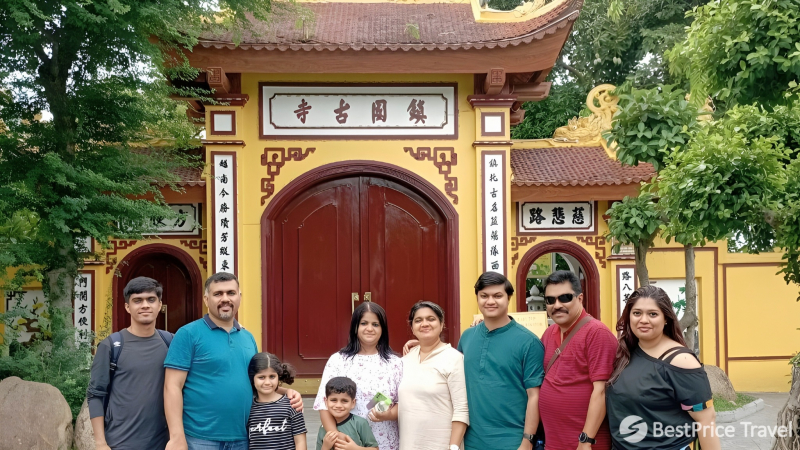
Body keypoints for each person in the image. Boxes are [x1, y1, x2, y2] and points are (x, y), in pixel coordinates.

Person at [164, 272, 303, 450]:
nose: (225, 299)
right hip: (200, 438)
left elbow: (255, 382)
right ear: (206, 299)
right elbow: (172, 386)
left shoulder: (248, 338)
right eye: (218, 294)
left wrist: (286, 392)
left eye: (231, 293)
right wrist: (176, 437)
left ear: (239, 297)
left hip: (244, 437)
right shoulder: (188, 334)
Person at [606, 285, 720, 450]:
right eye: (637, 313)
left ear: (666, 318)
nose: (643, 320)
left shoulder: (681, 361)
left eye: (652, 314)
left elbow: (706, 420)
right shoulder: (625, 353)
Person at [450, 272, 544, 450]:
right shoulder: (467, 337)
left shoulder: (529, 342)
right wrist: (424, 345)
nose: (490, 301)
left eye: (497, 296)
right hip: (470, 441)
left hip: (512, 441)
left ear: (508, 298)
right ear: (477, 298)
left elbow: (534, 396)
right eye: (484, 296)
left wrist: (527, 441)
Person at [86, 277, 171, 450]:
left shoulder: (170, 342)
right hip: (120, 442)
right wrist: (100, 443)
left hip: (163, 443)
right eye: (137, 300)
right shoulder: (111, 346)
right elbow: (95, 395)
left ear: (160, 305)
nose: (145, 305)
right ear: (127, 307)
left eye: (151, 299)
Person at [538, 270, 618, 450]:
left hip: (585, 445)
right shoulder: (549, 333)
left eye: (564, 298)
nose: (556, 305)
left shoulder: (596, 333)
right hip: (553, 443)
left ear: (580, 298)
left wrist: (586, 440)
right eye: (550, 300)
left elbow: (601, 391)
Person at [313, 302, 403, 450]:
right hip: (346, 442)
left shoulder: (395, 363)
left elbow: (404, 403)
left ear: (383, 329)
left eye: (375, 324)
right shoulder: (338, 361)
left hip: (385, 441)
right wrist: (337, 437)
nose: (369, 329)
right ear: (355, 326)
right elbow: (323, 404)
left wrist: (388, 415)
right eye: (364, 323)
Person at [398, 301, 468, 450]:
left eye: (431, 319)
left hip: (441, 445)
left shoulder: (454, 358)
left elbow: (462, 409)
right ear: (412, 327)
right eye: (418, 320)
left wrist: (453, 447)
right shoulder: (405, 360)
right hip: (409, 444)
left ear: (442, 324)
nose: (424, 324)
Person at [247, 352, 307, 450]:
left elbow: (300, 442)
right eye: (261, 377)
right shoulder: (247, 408)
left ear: (279, 376)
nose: (267, 382)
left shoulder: (292, 405)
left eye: (272, 376)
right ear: (252, 378)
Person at [316, 377, 380, 450]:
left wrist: (355, 448)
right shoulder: (324, 427)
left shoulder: (360, 423)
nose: (338, 405)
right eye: (333, 400)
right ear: (326, 401)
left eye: (344, 401)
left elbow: (375, 449)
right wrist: (325, 447)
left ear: (353, 403)